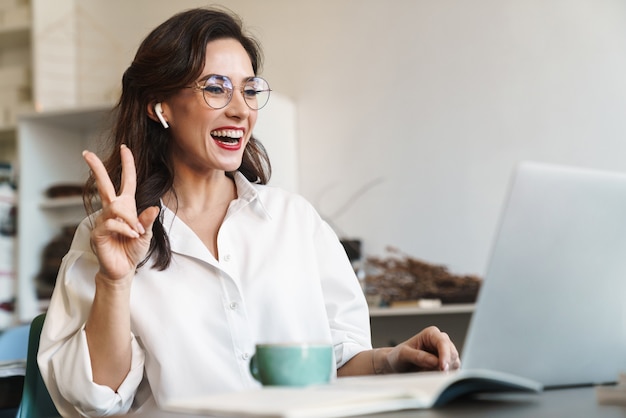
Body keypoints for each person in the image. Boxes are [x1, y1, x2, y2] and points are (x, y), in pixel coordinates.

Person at [37, 6, 460, 417]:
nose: (241, 109)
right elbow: (95, 400)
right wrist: (115, 282)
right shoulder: (110, 236)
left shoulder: (296, 221)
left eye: (249, 89)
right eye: (216, 87)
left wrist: (392, 361)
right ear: (159, 105)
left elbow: (336, 364)